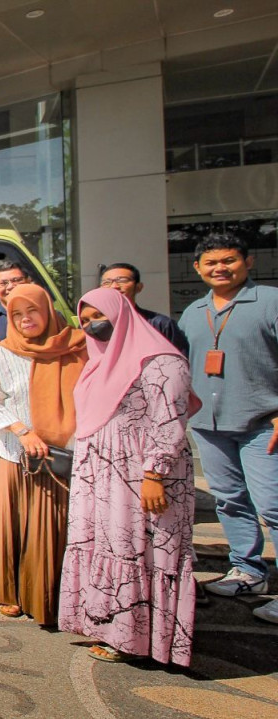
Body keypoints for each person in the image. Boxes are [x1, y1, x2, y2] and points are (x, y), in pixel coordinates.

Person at [58, 288, 200, 665]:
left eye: (97, 316)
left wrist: (155, 474)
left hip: (142, 475)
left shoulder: (162, 362)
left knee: (142, 550)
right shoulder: (97, 362)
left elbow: (169, 422)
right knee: (111, 548)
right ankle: (112, 628)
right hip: (101, 477)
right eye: (84, 320)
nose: (91, 326)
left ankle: (143, 639)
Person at [178, 235, 278, 624]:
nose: (220, 267)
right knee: (229, 500)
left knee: (272, 505)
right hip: (209, 424)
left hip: (261, 423)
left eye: (229, 260)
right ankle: (248, 572)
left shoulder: (269, 302)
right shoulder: (193, 312)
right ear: (198, 269)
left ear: (248, 262)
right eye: (211, 262)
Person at [0, 284, 87, 625]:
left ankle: (55, 598)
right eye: (17, 314)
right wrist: (22, 430)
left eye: (32, 312)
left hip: (64, 457)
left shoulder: (78, 348)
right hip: (17, 455)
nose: (26, 320)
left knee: (55, 529)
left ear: (47, 310)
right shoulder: (2, 353)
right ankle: (11, 592)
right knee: (16, 527)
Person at [99, 263, 189, 355]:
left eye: (122, 280)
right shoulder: (95, 325)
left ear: (139, 287)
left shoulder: (160, 324)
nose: (114, 286)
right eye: (107, 282)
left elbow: (180, 362)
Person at [0, 261, 32, 341]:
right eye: (3, 283)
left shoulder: (48, 315)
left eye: (17, 280)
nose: (10, 286)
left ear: (28, 282)